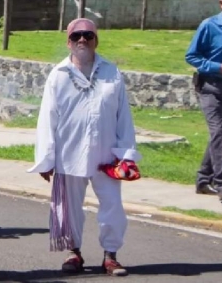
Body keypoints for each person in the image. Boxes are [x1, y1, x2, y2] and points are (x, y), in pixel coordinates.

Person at [29, 18, 140, 277]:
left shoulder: (112, 72)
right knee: (69, 207)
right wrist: (46, 159)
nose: (82, 40)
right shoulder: (58, 75)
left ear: (95, 41)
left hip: (107, 154)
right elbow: (47, 119)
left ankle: (110, 255)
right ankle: (73, 252)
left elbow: (124, 117)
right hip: (69, 154)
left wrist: (126, 155)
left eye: (88, 36)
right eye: (77, 35)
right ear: (68, 42)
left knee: (112, 205)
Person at [185, 0, 222, 203]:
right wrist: (218, 67)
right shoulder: (209, 26)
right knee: (217, 132)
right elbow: (192, 57)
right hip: (209, 87)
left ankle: (203, 179)